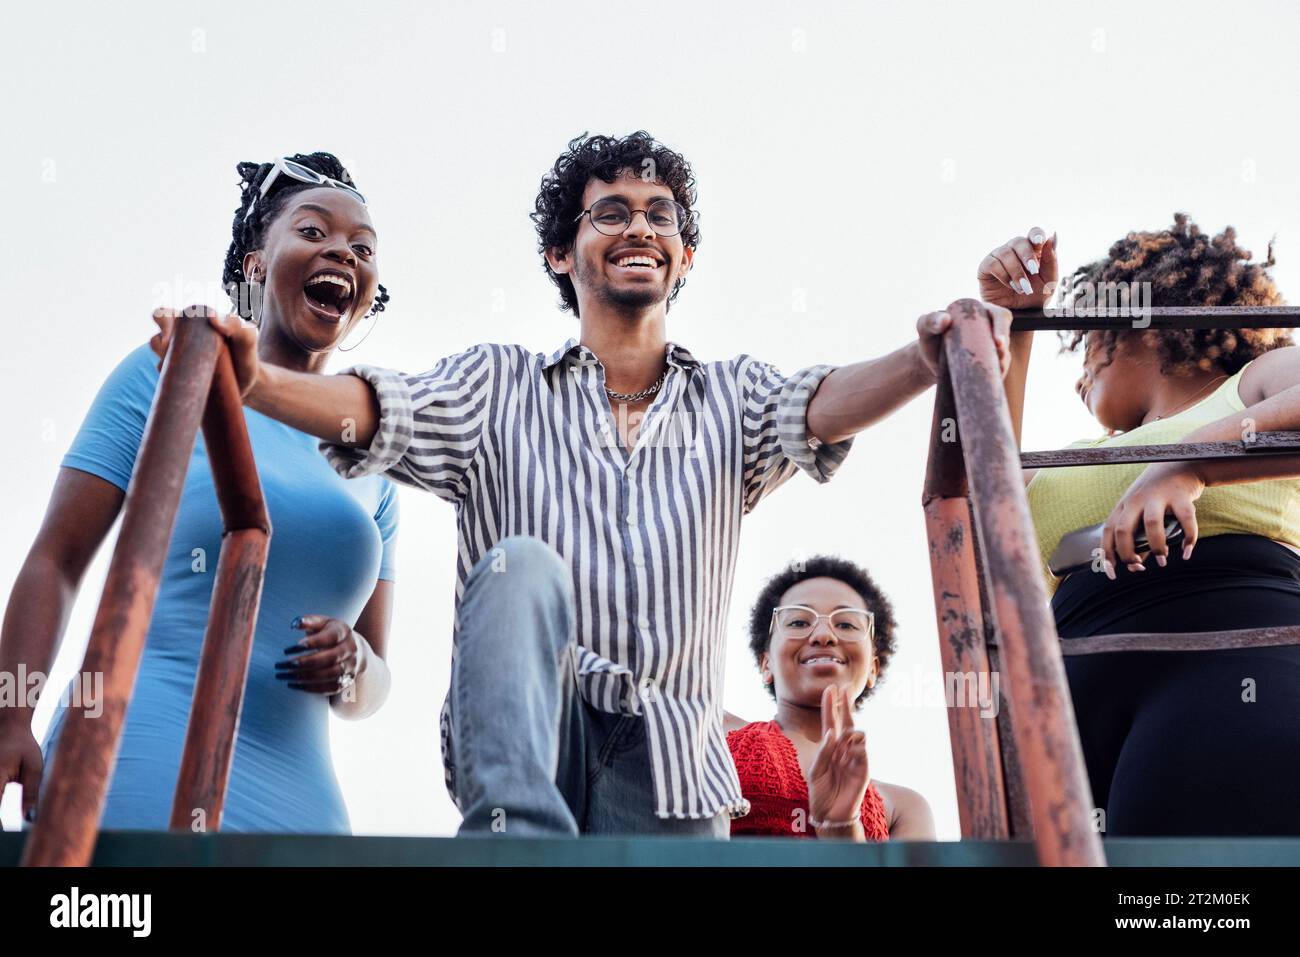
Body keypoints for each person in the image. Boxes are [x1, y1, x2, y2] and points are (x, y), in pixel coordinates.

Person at [154, 131, 1012, 838]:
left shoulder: (733, 399)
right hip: (537, 738)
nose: (638, 227)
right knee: (519, 562)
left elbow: (819, 406)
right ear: (563, 252)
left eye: (658, 217)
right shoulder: (499, 386)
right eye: (610, 213)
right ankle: (518, 845)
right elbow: (379, 410)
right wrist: (256, 383)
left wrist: (922, 356)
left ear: (682, 258)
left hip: (672, 766)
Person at [0, 153, 399, 833]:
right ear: (254, 266)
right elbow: (57, 559)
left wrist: (354, 663)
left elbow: (372, 679)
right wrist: (11, 716)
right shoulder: (171, 369)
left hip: (300, 794)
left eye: (362, 246)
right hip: (137, 747)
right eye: (312, 231)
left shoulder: (370, 454)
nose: (342, 250)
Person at [981, 214, 1300, 836]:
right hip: (1071, 684)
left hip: (1227, 652)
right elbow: (975, 496)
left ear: (1139, 327)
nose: (1080, 379)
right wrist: (1016, 327)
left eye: (1089, 344)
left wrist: (1186, 464)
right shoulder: (1069, 456)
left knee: (1199, 884)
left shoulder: (1250, 384)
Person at [726, 556, 935, 840]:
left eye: (847, 624)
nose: (824, 635)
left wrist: (841, 827)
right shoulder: (709, 732)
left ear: (873, 668)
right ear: (766, 664)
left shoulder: (904, 808)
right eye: (799, 621)